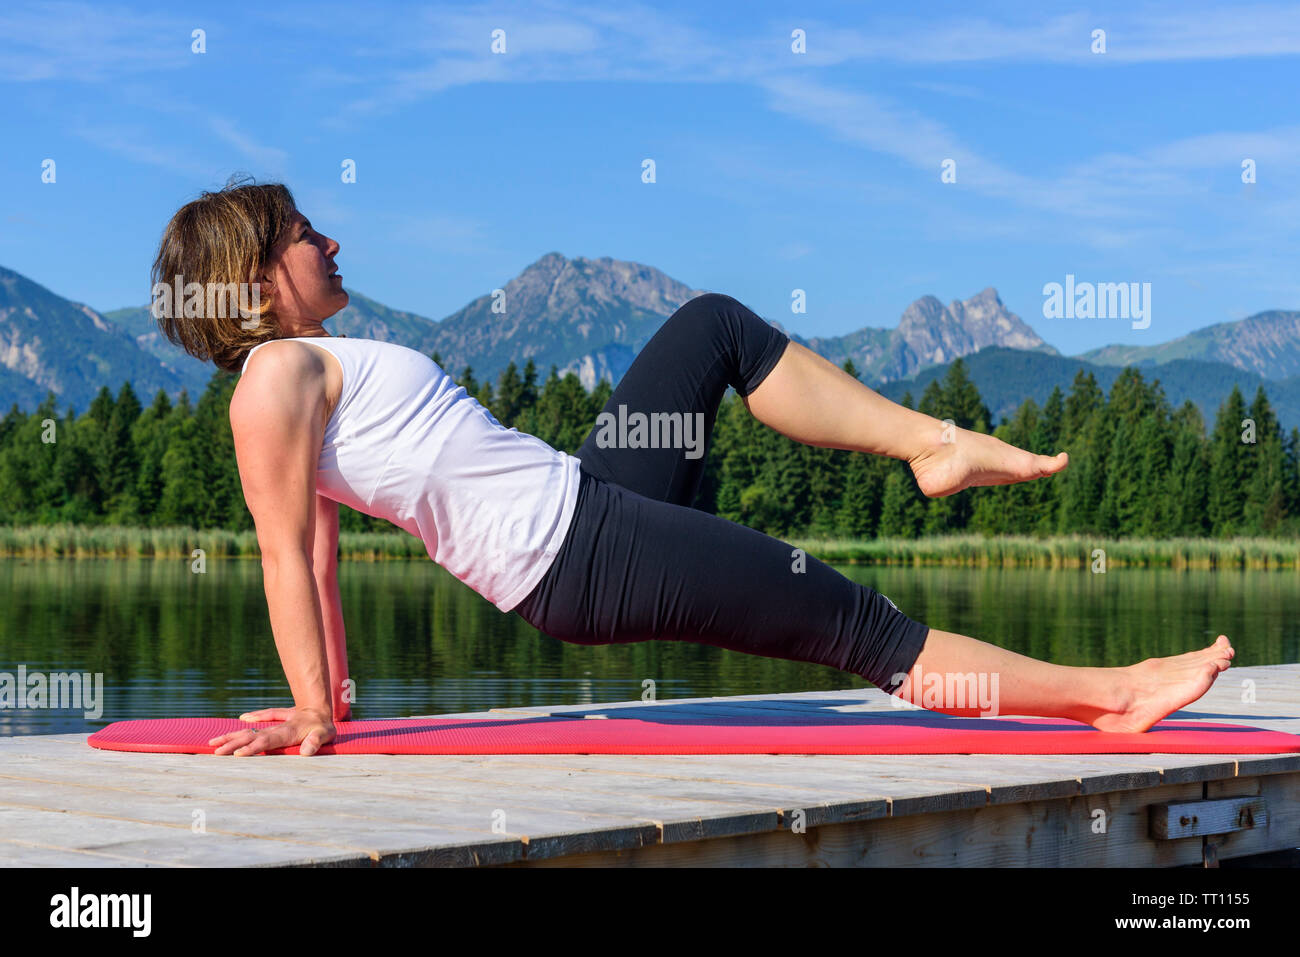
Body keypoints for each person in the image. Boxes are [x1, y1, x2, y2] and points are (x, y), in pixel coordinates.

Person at [149, 181, 1234, 757]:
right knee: (856, 623)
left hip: (589, 499)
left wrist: (338, 699)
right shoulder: (273, 377)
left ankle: (932, 445)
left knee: (712, 324)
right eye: (304, 233)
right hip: (579, 555)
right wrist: (315, 714)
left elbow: (325, 558)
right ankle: (1110, 694)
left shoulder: (305, 367)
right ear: (252, 274)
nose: (329, 240)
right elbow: (293, 558)